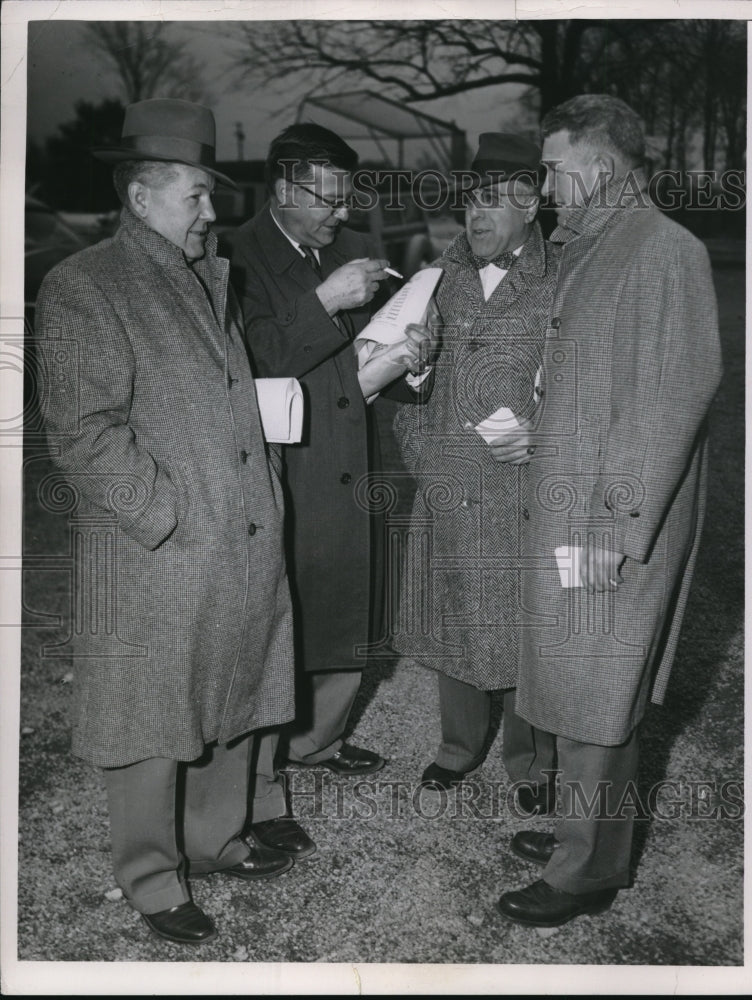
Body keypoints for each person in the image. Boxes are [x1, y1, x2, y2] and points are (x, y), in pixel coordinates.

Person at [35, 99, 298, 946]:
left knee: (232, 685)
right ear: (140, 196)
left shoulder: (205, 274)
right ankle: (151, 877)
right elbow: (81, 431)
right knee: (149, 716)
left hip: (235, 532)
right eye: (196, 194)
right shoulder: (84, 285)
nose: (211, 210)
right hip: (159, 549)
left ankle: (216, 840)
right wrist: (165, 513)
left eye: (210, 194)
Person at [496, 94, 723, 928]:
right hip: (579, 508)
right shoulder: (596, 245)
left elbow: (671, 396)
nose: (545, 186)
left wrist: (612, 530)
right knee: (578, 681)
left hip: (608, 522)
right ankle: (584, 836)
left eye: (554, 169)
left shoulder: (662, 250)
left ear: (598, 167)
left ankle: (585, 872)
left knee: (598, 692)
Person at [222, 123, 435, 861]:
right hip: (286, 463)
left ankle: (319, 740)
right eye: (328, 199)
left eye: (348, 199)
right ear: (284, 188)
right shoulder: (234, 257)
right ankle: (260, 787)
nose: (343, 213)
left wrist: (415, 357)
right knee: (280, 619)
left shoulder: (352, 249)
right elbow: (252, 361)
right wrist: (324, 300)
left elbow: (376, 353)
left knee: (349, 599)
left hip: (353, 456)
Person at [392, 133, 558, 811]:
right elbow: (406, 384)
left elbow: (587, 388)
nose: (476, 214)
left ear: (531, 204)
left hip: (523, 492)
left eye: (492, 201)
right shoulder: (437, 276)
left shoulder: (566, 276)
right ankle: (457, 748)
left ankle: (531, 763)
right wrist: (420, 431)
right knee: (452, 618)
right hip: (451, 485)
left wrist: (545, 441)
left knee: (524, 631)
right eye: (471, 201)